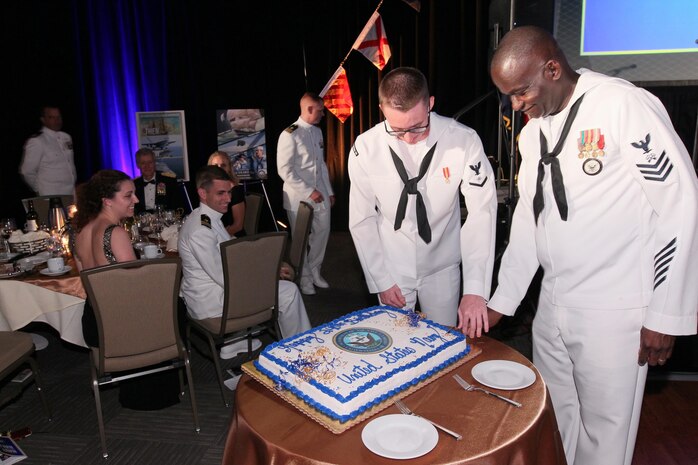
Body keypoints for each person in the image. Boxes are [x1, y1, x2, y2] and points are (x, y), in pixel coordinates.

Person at [485, 26, 698, 465]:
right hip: (554, 304)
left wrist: (666, 313)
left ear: (552, 67)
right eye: (509, 96)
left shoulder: (623, 105)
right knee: (554, 421)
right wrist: (503, 300)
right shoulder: (533, 133)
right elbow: (530, 218)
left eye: (522, 91)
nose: (516, 104)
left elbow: (680, 201)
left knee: (605, 435)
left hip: (615, 308)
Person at [348, 67, 498, 328]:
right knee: (395, 345)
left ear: (430, 104)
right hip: (392, 265)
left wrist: (475, 287)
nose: (408, 138)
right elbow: (362, 218)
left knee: (444, 343)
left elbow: (481, 213)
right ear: (382, 109)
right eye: (397, 129)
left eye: (418, 127)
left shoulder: (464, 141)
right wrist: (380, 278)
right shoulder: (365, 147)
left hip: (442, 266)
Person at [178, 166, 311, 386]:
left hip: (218, 292)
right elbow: (226, 277)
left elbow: (235, 255)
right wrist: (271, 275)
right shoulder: (201, 229)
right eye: (221, 193)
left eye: (229, 192)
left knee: (284, 289)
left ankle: (249, 344)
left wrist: (272, 267)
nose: (228, 199)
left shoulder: (209, 218)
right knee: (289, 292)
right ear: (203, 193)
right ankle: (302, 356)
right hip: (213, 302)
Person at [73, 169, 182, 410]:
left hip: (96, 324)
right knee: (179, 305)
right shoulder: (115, 233)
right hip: (123, 330)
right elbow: (134, 292)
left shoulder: (79, 233)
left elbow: (89, 284)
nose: (136, 200)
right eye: (128, 195)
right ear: (107, 200)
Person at [277, 92, 335, 295]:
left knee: (322, 233)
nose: (323, 115)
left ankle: (315, 270)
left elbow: (321, 165)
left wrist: (328, 191)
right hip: (298, 197)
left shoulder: (317, 132)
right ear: (309, 109)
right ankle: (305, 279)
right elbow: (284, 170)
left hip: (320, 194)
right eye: (320, 111)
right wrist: (310, 191)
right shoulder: (289, 133)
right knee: (300, 239)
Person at [20, 105, 77, 196]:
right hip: (50, 194)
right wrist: (38, 188)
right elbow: (27, 171)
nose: (56, 120)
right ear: (43, 120)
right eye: (51, 117)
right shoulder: (37, 141)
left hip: (70, 192)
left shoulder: (66, 137)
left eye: (58, 117)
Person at [133, 148, 184, 214]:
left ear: (154, 163)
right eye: (143, 163)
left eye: (150, 162)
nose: (147, 166)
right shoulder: (134, 185)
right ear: (138, 165)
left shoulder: (169, 181)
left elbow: (178, 206)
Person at [208, 151, 246, 237]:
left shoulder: (235, 190)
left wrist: (215, 238)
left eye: (223, 165)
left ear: (229, 168)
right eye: (215, 166)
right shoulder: (207, 190)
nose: (219, 168)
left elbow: (238, 226)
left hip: (232, 238)